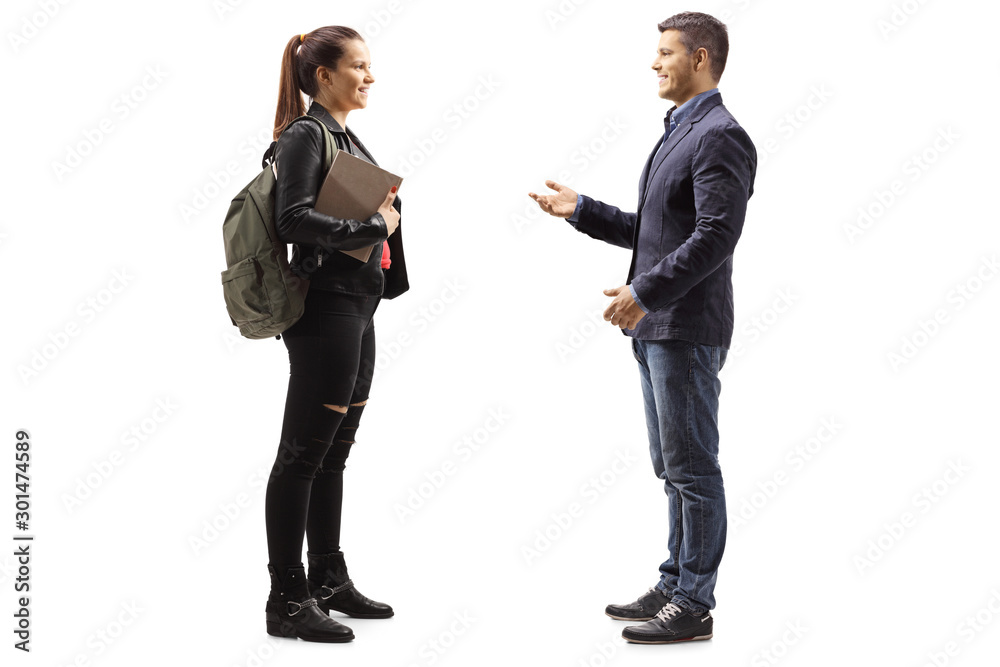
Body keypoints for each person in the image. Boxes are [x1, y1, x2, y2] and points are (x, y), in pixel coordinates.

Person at [529, 12, 756, 644]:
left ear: (701, 57)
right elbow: (656, 232)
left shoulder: (720, 135)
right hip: (659, 326)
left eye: (665, 53)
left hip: (684, 324)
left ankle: (694, 604)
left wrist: (643, 292)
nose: (654, 63)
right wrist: (584, 212)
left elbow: (717, 235)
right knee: (671, 464)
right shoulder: (681, 130)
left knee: (692, 467)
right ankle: (674, 579)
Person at [261, 25, 409, 643]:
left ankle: (326, 576)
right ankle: (286, 597)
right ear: (324, 76)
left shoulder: (344, 136)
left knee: (334, 449)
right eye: (360, 66)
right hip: (326, 311)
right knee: (302, 452)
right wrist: (375, 219)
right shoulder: (304, 135)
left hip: (359, 303)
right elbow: (293, 218)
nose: (370, 76)